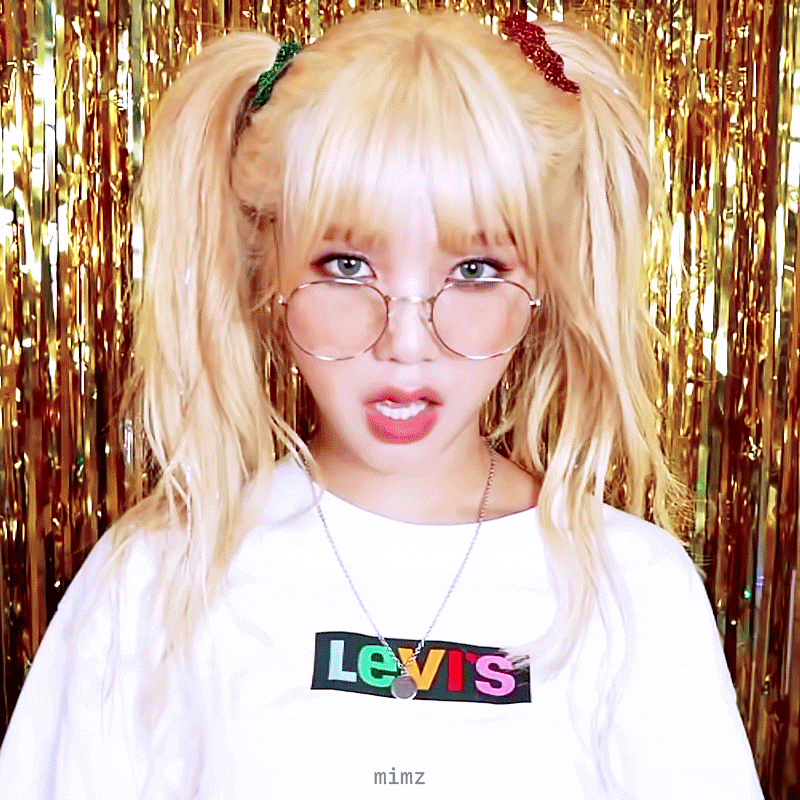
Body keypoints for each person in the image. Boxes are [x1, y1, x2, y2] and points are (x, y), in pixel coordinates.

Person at [0, 8, 763, 799]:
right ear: (269, 271)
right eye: (346, 265)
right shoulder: (157, 578)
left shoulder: (635, 591)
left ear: (542, 281)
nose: (406, 340)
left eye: (474, 270)